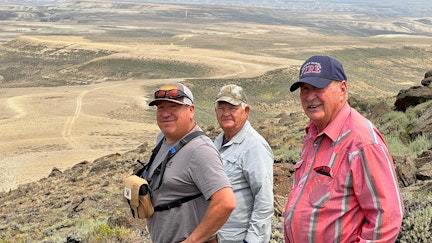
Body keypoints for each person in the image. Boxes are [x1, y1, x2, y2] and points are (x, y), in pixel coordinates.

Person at [284, 55, 404, 242]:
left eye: (318, 88)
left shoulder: (362, 142)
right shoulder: (313, 132)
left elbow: (387, 218)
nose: (309, 96)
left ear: (342, 89)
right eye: (304, 89)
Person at [144, 82, 236, 243]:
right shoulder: (162, 139)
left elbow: (225, 202)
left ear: (191, 110)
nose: (166, 113)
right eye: (161, 108)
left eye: (173, 107)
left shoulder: (200, 150)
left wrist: (192, 241)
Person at [214, 84, 274, 243]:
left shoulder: (254, 146)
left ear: (246, 111)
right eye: (221, 108)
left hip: (240, 239)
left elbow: (264, 199)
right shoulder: (217, 143)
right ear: (215, 112)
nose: (226, 113)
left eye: (232, 108)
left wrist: (253, 240)